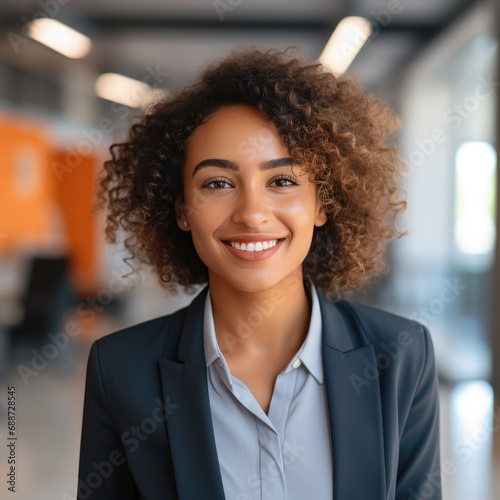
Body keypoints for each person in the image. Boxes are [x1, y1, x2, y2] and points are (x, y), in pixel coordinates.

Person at [77, 48, 441, 500]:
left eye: (282, 181)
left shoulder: (401, 356)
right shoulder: (121, 371)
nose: (252, 213)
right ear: (182, 210)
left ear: (321, 203)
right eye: (218, 184)